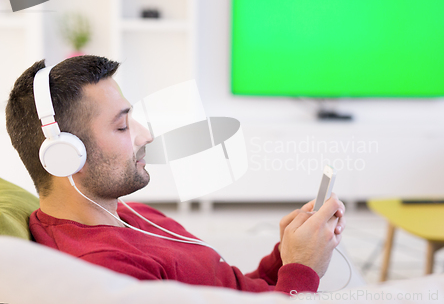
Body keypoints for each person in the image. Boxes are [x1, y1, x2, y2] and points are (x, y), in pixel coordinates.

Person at [5, 55, 346, 294]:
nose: (145, 135)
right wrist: (304, 269)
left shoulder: (129, 213)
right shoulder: (108, 269)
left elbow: (227, 289)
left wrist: (286, 256)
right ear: (65, 156)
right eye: (122, 126)